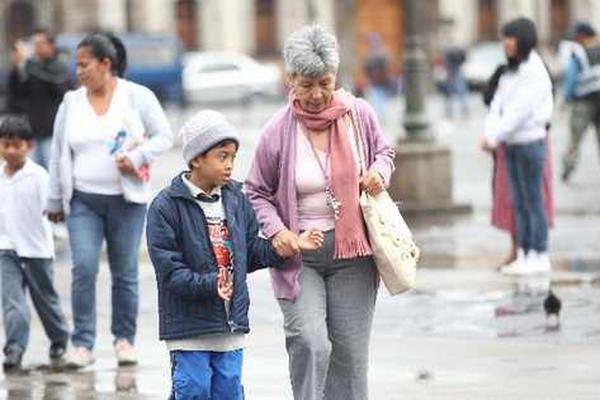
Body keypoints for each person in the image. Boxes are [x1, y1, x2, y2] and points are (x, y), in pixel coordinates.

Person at [245, 25, 396, 400]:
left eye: (325, 83)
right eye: (307, 84)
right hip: (299, 256)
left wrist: (379, 173)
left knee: (350, 356)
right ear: (290, 79)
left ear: (336, 76)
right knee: (311, 341)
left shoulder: (358, 115)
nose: (316, 94)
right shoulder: (277, 131)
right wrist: (277, 230)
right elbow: (255, 191)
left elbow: (384, 152)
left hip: (353, 254)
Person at [146, 110, 323, 399]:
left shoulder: (238, 199)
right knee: (194, 389)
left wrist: (289, 246)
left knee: (228, 391)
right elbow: (169, 270)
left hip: (230, 324)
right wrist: (210, 283)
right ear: (195, 159)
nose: (230, 165)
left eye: (233, 157)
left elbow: (250, 251)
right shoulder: (166, 206)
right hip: (188, 325)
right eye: (222, 156)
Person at [46, 32, 173, 369]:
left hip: (126, 200)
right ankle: (83, 343)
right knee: (83, 267)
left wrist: (139, 157)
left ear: (106, 64)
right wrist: (55, 201)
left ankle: (124, 340)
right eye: (77, 65)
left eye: (85, 64)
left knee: (125, 272)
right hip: (83, 201)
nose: (79, 71)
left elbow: (165, 136)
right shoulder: (71, 103)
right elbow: (59, 154)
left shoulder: (136, 96)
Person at [481, 18, 554, 275]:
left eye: (510, 38)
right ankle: (524, 252)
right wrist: (491, 133)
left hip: (530, 142)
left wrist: (496, 135)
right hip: (511, 144)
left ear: (523, 40)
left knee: (533, 200)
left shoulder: (533, 69)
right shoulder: (511, 70)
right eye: (504, 38)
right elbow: (498, 105)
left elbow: (519, 110)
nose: (506, 43)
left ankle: (539, 253)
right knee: (519, 201)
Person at [0, 116, 70, 372]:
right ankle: (14, 348)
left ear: (28, 146)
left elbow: (54, 207)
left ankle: (59, 338)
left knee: (45, 301)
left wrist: (57, 220)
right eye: (5, 144)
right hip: (6, 249)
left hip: (37, 250)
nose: (10, 151)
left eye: (15, 145)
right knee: (13, 302)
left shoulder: (39, 176)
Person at [6, 29, 71, 169]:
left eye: (40, 44)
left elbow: (56, 86)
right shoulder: (31, 66)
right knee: (33, 173)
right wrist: (18, 67)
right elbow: (17, 92)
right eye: (34, 44)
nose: (36, 48)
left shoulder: (59, 66)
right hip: (33, 131)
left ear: (51, 45)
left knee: (53, 172)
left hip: (53, 132)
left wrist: (28, 64)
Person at [561, 22, 600, 182]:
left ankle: (568, 167)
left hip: (583, 102)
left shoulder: (579, 53)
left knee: (575, 138)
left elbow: (571, 79)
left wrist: (567, 99)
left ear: (582, 36)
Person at [443, 45, 468, 118]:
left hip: (452, 70)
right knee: (460, 90)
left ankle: (450, 111)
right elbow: (464, 59)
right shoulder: (457, 52)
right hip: (455, 70)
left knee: (451, 92)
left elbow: (446, 61)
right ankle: (462, 109)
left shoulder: (449, 52)